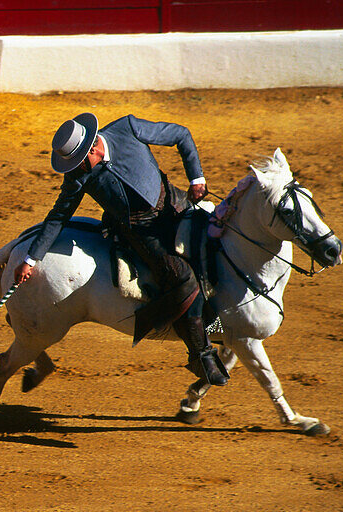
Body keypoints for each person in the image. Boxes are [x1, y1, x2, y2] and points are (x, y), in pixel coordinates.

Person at [14, 113, 228, 386]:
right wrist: (32, 258)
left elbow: (180, 134)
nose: (76, 169)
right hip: (140, 232)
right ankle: (200, 354)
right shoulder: (78, 177)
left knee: (216, 246)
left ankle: (221, 320)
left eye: (79, 162)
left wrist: (196, 178)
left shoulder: (127, 128)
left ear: (92, 148)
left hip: (175, 204)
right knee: (183, 278)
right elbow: (58, 216)